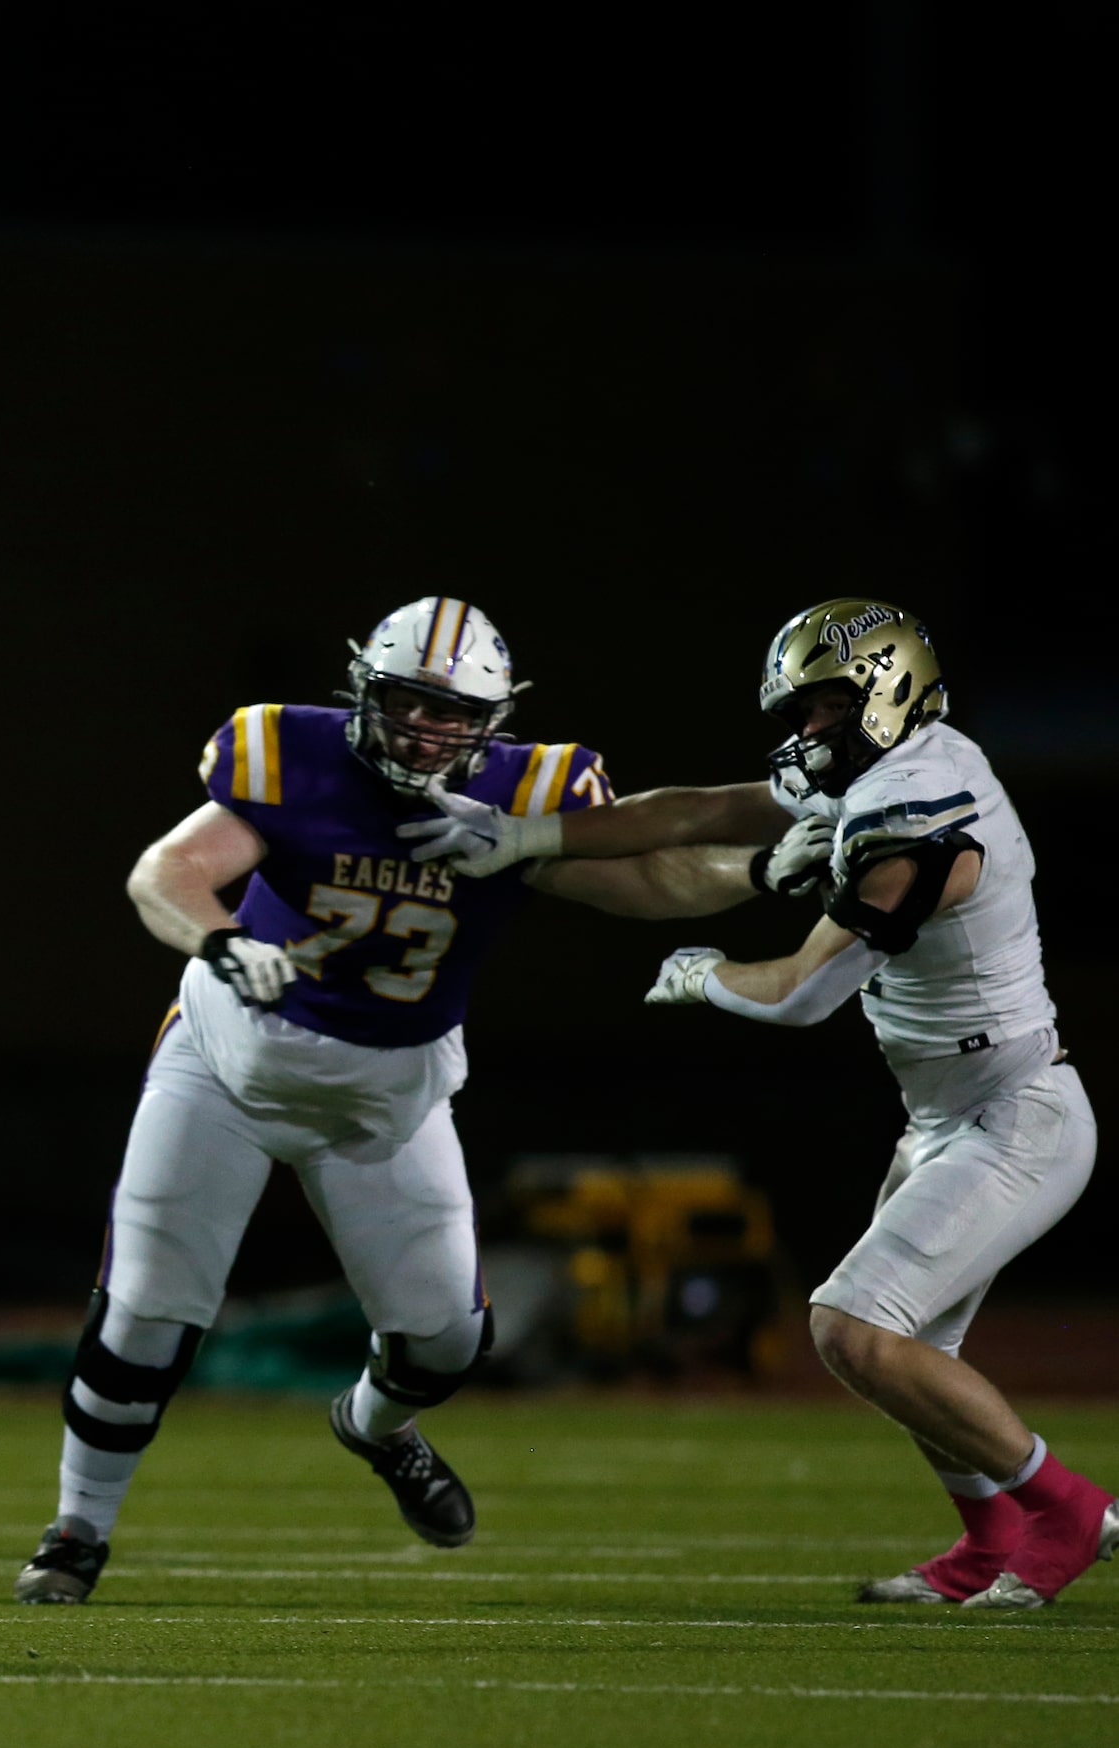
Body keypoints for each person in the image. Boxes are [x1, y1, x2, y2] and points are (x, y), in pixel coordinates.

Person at [15, 597, 763, 1604]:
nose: (423, 730)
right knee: (147, 1305)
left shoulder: (524, 798)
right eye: (407, 704)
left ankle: (374, 1425)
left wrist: (774, 867)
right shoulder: (289, 757)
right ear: (363, 689)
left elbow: (656, 879)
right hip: (227, 1067)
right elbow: (169, 873)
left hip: (387, 1097)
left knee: (448, 1343)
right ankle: (76, 1530)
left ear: (492, 723)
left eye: (451, 713)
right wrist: (225, 942)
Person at [402, 598, 1114, 1608]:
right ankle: (990, 1536)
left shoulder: (916, 807)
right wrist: (522, 835)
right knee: (911, 1355)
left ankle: (1069, 1509)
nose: (807, 729)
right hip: (952, 1111)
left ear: (884, 689)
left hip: (1016, 1112)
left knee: (850, 1329)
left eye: (826, 704)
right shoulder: (891, 765)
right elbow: (696, 807)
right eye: (803, 708)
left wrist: (702, 974)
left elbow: (801, 994)